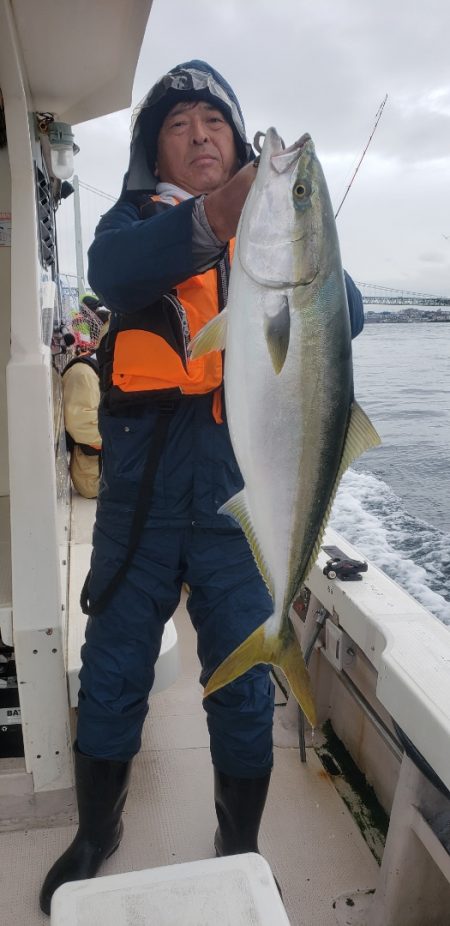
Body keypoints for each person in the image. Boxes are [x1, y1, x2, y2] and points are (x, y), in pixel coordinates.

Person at [40, 60, 364, 914]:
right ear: (156, 150)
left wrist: (304, 245)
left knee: (245, 687)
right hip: (139, 508)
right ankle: (97, 832)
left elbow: (348, 315)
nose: (200, 137)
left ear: (237, 140)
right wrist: (217, 222)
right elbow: (114, 269)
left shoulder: (276, 238)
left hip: (235, 505)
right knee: (111, 675)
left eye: (214, 123)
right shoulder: (129, 225)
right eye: (179, 126)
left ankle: (240, 841)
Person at [61, 301, 110, 499]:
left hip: (115, 469)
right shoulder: (83, 374)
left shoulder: (109, 371)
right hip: (94, 477)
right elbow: (82, 426)